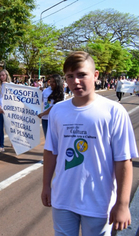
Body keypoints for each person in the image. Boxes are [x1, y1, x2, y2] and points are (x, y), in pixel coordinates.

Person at [41, 51, 138, 235]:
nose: (75, 81)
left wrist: (122, 204)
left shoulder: (114, 112)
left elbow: (123, 160)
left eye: (81, 75)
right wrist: (46, 185)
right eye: (70, 76)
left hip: (99, 202)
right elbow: (51, 152)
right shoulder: (57, 111)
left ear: (95, 76)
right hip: (63, 199)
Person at [0, 69, 11, 153]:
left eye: (3, 75)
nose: (1, 77)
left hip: (9, 111)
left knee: (10, 128)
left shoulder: (11, 85)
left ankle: (14, 143)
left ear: (7, 75)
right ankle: (1, 146)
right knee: (0, 128)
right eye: (0, 75)